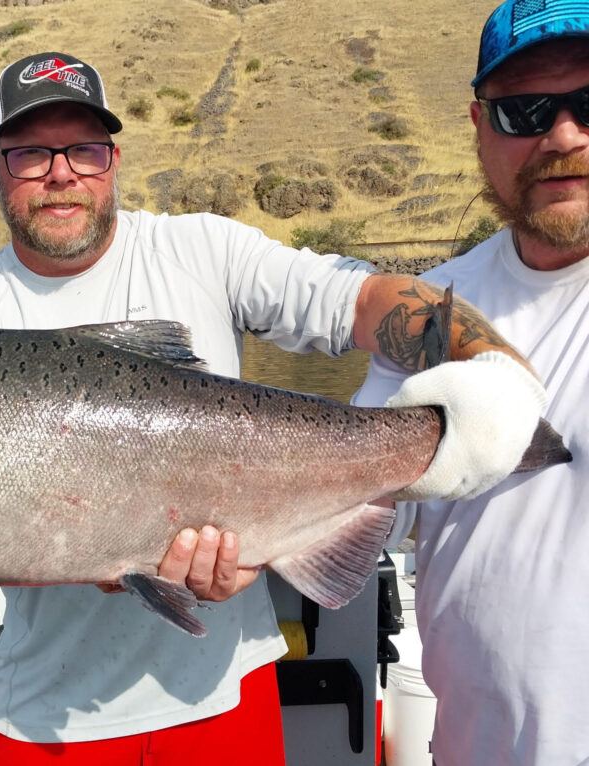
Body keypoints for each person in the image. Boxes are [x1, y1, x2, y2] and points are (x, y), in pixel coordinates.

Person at [0, 51, 550, 764]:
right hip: (47, 715)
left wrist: (499, 380)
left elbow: (363, 300)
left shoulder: (201, 248)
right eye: (30, 154)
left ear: (113, 161)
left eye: (84, 150)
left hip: (227, 694)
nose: (61, 173)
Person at [352, 3, 589, 764]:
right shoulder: (432, 308)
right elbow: (362, 513)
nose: (564, 136)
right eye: (526, 111)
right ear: (480, 127)